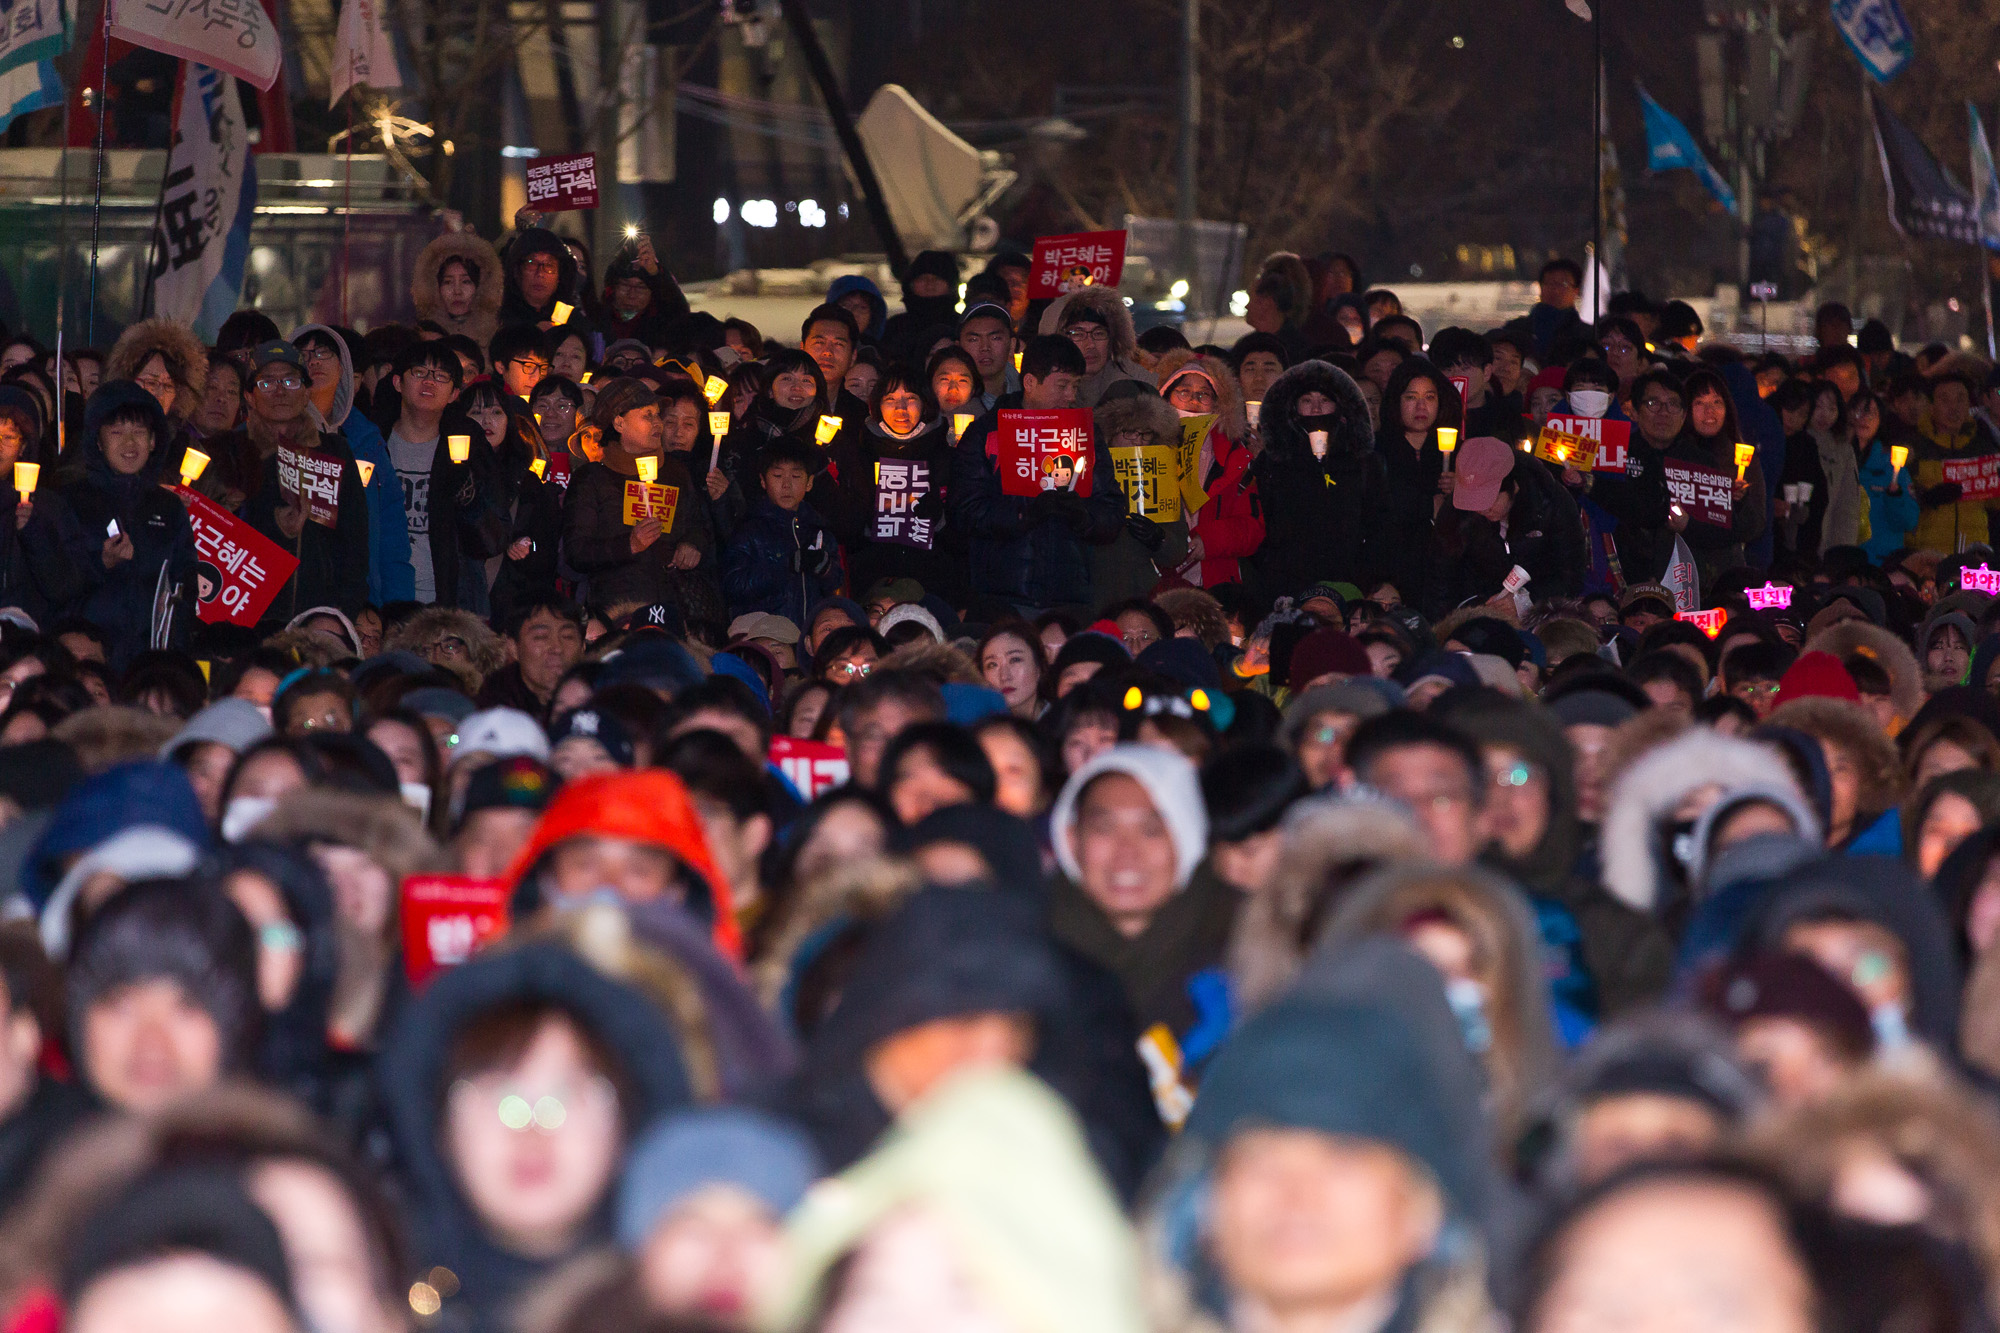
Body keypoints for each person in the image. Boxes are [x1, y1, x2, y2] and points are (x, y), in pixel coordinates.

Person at [952, 336, 1124, 615]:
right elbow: (965, 511)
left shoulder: (1085, 435)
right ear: (1030, 382)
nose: (1071, 396)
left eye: (1075, 386)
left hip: (1069, 597)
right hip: (1003, 597)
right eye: (1062, 385)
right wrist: (1025, 513)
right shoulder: (987, 433)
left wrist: (1082, 516)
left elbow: (1112, 511)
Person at [35, 381, 197, 668]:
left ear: (153, 441)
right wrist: (101, 564)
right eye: (116, 432)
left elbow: (185, 587)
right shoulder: (68, 502)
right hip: (83, 662)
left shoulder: (169, 507)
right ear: (97, 441)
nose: (129, 443)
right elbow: (53, 585)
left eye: (139, 432)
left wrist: (176, 654)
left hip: (150, 664)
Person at [567, 378, 719, 623]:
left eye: (658, 415)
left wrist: (692, 544)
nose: (658, 423)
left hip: (674, 608)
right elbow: (577, 552)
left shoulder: (676, 472)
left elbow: (698, 524)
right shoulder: (592, 479)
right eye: (647, 416)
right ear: (619, 423)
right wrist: (629, 545)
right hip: (617, 612)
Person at [292, 324, 415, 607]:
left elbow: (391, 531)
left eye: (322, 352)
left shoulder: (366, 439)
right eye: (302, 354)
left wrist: (397, 605)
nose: (313, 361)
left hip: (361, 599)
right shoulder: (272, 435)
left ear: (344, 368)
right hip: (295, 595)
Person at [1250, 359, 1390, 599]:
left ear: (1340, 406)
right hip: (1286, 587)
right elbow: (1260, 523)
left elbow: (1380, 524)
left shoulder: (1363, 462)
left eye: (1324, 400)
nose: (1316, 409)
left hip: (1349, 587)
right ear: (1293, 407)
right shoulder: (1273, 463)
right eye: (1307, 401)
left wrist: (1366, 577)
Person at [1040, 287, 1153, 407]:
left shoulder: (1140, 391)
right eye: (1078, 334)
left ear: (1114, 339)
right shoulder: (1038, 398)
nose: (1090, 345)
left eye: (1099, 333)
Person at [412, 230, 506, 351]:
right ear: (434, 286)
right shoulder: (420, 338)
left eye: (466, 281)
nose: (457, 291)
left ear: (482, 285)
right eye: (448, 282)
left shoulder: (498, 338)